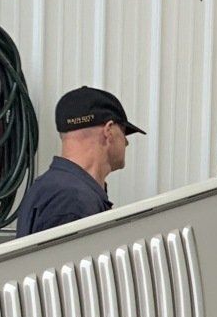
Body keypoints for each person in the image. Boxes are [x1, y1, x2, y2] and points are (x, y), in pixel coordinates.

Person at [15, 87, 144, 237]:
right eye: (124, 132)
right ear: (108, 131)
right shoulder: (72, 201)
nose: (126, 142)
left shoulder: (53, 187)